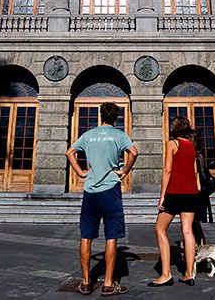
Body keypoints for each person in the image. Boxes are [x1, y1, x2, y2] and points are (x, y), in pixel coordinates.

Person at [65, 102, 139, 296]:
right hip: (110, 189)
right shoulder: (119, 135)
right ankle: (108, 284)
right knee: (111, 235)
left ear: (101, 116)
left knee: (86, 236)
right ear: (116, 117)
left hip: (90, 190)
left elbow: (69, 152)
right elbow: (134, 152)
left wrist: (80, 172)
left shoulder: (88, 135)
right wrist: (125, 171)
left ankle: (86, 282)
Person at [148, 116, 199, 287]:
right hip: (191, 193)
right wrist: (196, 188)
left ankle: (165, 274)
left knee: (159, 229)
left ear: (174, 129)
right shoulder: (192, 146)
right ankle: (189, 274)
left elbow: (167, 170)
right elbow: (194, 170)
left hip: (175, 192)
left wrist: (162, 195)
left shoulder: (173, 144)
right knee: (188, 232)